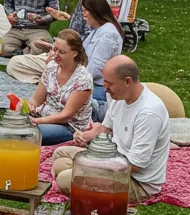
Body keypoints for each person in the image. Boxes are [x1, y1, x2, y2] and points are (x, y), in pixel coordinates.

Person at [51, 56, 170, 203]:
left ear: (127, 81)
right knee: (60, 155)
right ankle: (80, 173)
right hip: (112, 159)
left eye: (109, 83)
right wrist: (85, 136)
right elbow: (105, 128)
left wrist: (92, 164)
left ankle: (80, 175)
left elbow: (135, 165)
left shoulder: (148, 113)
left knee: (64, 179)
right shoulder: (119, 96)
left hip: (135, 180)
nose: (105, 88)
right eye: (104, 82)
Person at [6, 0, 93, 82]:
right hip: (67, 52)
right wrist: (53, 47)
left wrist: (58, 51)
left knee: (14, 64)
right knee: (19, 57)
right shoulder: (83, 2)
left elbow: (85, 41)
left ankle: (52, 81)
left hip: (72, 60)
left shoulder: (89, 9)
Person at [27, 29, 93, 145]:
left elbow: (66, 115)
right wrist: (28, 107)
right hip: (44, 116)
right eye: (54, 49)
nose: (55, 55)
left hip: (70, 127)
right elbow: (36, 100)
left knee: (30, 133)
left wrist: (37, 121)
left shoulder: (83, 79)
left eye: (61, 52)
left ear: (74, 53)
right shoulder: (51, 67)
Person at [81, 0, 123, 102]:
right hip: (88, 81)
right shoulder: (99, 29)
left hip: (97, 88)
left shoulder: (108, 35)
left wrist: (73, 82)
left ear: (95, 11)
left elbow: (96, 68)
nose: (83, 14)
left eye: (85, 11)